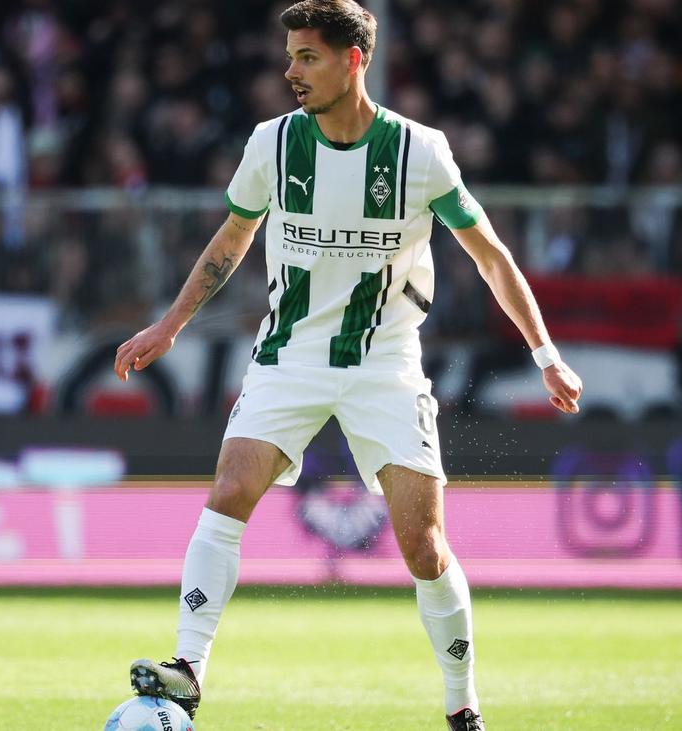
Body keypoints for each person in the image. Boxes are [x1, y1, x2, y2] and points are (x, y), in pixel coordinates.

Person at [112, 2, 584, 729]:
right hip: (289, 355)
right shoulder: (271, 143)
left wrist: (545, 354)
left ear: (353, 60)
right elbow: (232, 238)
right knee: (230, 490)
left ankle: (462, 703)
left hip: (384, 363)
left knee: (423, 546)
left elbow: (491, 256)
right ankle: (190, 668)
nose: (290, 72)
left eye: (307, 57)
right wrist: (170, 324)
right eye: (290, 56)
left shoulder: (419, 152)